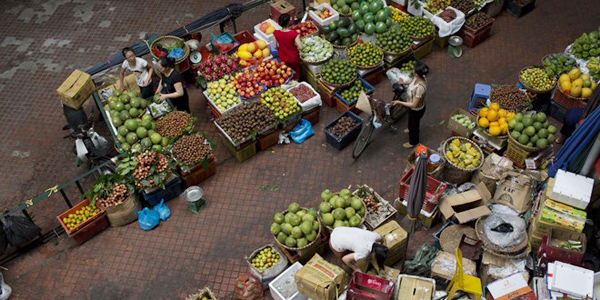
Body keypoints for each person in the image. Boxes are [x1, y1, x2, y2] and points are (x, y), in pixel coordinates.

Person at [393, 61, 429, 148]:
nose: (412, 71)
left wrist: (399, 102)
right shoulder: (420, 77)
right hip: (413, 109)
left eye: (414, 70)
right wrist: (403, 83)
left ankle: (413, 142)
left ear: (416, 74)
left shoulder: (419, 89)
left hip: (416, 110)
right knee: (411, 121)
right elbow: (412, 82)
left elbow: (414, 105)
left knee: (414, 126)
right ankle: (410, 128)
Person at [273, 14, 301, 80]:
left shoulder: (276, 33)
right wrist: (296, 47)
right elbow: (300, 47)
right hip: (293, 57)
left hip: (283, 56)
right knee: (296, 72)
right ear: (289, 23)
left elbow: (274, 46)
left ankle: (289, 80)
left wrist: (279, 49)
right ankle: (296, 82)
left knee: (286, 71)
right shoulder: (293, 33)